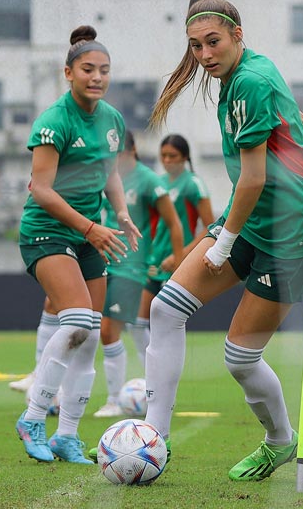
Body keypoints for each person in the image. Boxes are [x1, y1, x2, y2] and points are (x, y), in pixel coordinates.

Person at [143, 0, 303, 482]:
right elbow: (289, 125)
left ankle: (280, 441)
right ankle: (154, 438)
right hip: (252, 217)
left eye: (213, 42)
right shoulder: (240, 76)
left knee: (240, 358)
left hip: (288, 234)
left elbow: (255, 178)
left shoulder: (251, 80)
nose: (204, 55)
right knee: (164, 309)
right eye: (196, 46)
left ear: (237, 35)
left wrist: (222, 242)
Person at [15, 25, 141, 464]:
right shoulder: (53, 121)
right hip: (47, 232)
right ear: (67, 72)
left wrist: (120, 212)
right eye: (88, 69)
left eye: (104, 71)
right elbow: (41, 189)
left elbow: (109, 173)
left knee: (90, 336)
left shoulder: (112, 119)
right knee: (74, 323)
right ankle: (32, 418)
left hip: (92, 234)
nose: (97, 77)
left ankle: (66, 436)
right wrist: (90, 228)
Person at [93, 130, 184, 418]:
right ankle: (154, 386)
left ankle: (115, 399)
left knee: (110, 330)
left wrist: (179, 257)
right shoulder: (110, 181)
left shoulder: (148, 181)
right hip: (110, 263)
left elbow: (174, 223)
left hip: (134, 266)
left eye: (117, 152)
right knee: (128, 329)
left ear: (131, 151)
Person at [130, 134, 215, 370]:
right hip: (155, 263)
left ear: (185, 157)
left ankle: (164, 378)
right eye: (164, 156)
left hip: (177, 263)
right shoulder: (159, 182)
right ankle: (151, 374)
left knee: (166, 323)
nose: (168, 160)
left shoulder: (193, 184)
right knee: (137, 323)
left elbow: (210, 227)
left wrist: (183, 255)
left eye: (173, 156)